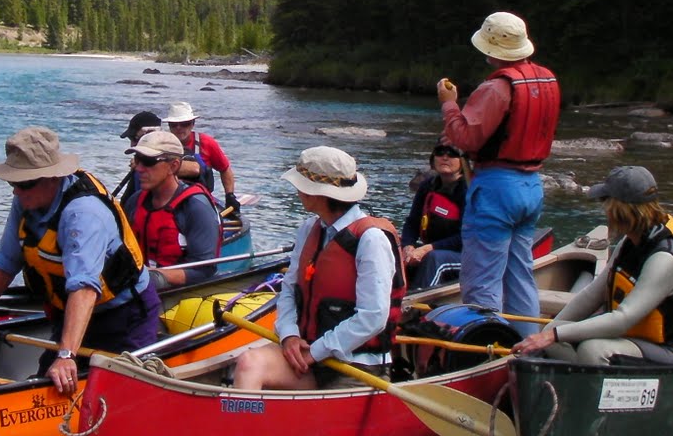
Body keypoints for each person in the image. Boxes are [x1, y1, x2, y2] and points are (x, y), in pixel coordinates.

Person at [0, 127, 160, 396]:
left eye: (24, 183)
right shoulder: (27, 200)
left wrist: (66, 355)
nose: (16, 191)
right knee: (45, 383)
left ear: (51, 178)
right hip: (70, 315)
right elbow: (6, 262)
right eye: (13, 183)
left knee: (120, 394)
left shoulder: (83, 214)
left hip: (124, 316)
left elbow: (84, 288)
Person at [231, 146, 404, 391]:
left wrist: (316, 352)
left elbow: (373, 317)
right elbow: (290, 289)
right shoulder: (310, 228)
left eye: (301, 185)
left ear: (317, 194)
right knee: (249, 362)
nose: (297, 191)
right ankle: (243, 426)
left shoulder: (371, 239)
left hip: (356, 365)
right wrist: (290, 335)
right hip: (309, 356)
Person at [513, 166, 673, 365]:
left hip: (669, 353)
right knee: (552, 333)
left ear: (621, 209)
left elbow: (621, 320)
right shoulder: (631, 241)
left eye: (605, 203)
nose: (603, 210)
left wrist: (554, 335)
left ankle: (589, 390)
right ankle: (573, 378)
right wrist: (551, 332)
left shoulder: (664, 257)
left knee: (593, 350)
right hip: (630, 341)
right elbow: (593, 294)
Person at [436, 11, 560, 323]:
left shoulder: (496, 88)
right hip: (531, 185)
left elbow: (464, 138)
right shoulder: (547, 79)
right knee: (519, 273)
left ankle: (486, 350)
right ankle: (525, 341)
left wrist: (449, 103)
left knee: (482, 279)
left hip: (496, 187)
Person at [121, 129, 222, 288]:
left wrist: (153, 277)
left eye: (148, 161)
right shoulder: (135, 202)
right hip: (140, 286)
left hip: (180, 294)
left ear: (173, 166)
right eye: (137, 159)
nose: (139, 168)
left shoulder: (196, 207)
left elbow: (204, 270)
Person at [400, 142, 468, 289]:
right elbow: (412, 223)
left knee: (434, 258)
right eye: (440, 152)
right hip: (434, 248)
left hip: (466, 255)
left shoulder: (468, 190)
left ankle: (416, 303)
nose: (445, 157)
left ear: (463, 160)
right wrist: (408, 246)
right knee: (394, 249)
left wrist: (428, 248)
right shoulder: (427, 186)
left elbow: (467, 236)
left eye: (452, 153)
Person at [163, 102, 241, 216]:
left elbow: (225, 169)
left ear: (192, 124)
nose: (178, 128)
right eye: (174, 125)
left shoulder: (208, 143)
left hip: (201, 204)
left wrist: (230, 195)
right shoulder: (161, 145)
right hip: (168, 203)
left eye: (184, 124)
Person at [112, 110, 162, 200]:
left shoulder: (178, 156)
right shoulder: (138, 170)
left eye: (134, 138)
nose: (132, 145)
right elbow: (125, 203)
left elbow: (194, 168)